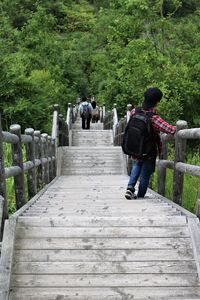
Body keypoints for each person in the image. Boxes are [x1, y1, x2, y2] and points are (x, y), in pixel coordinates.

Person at [125, 87, 176, 199]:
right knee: (145, 174)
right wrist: (178, 129)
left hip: (136, 147)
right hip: (149, 150)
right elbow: (169, 129)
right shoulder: (154, 118)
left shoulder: (134, 111)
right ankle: (141, 195)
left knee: (137, 165)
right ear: (157, 102)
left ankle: (130, 187)